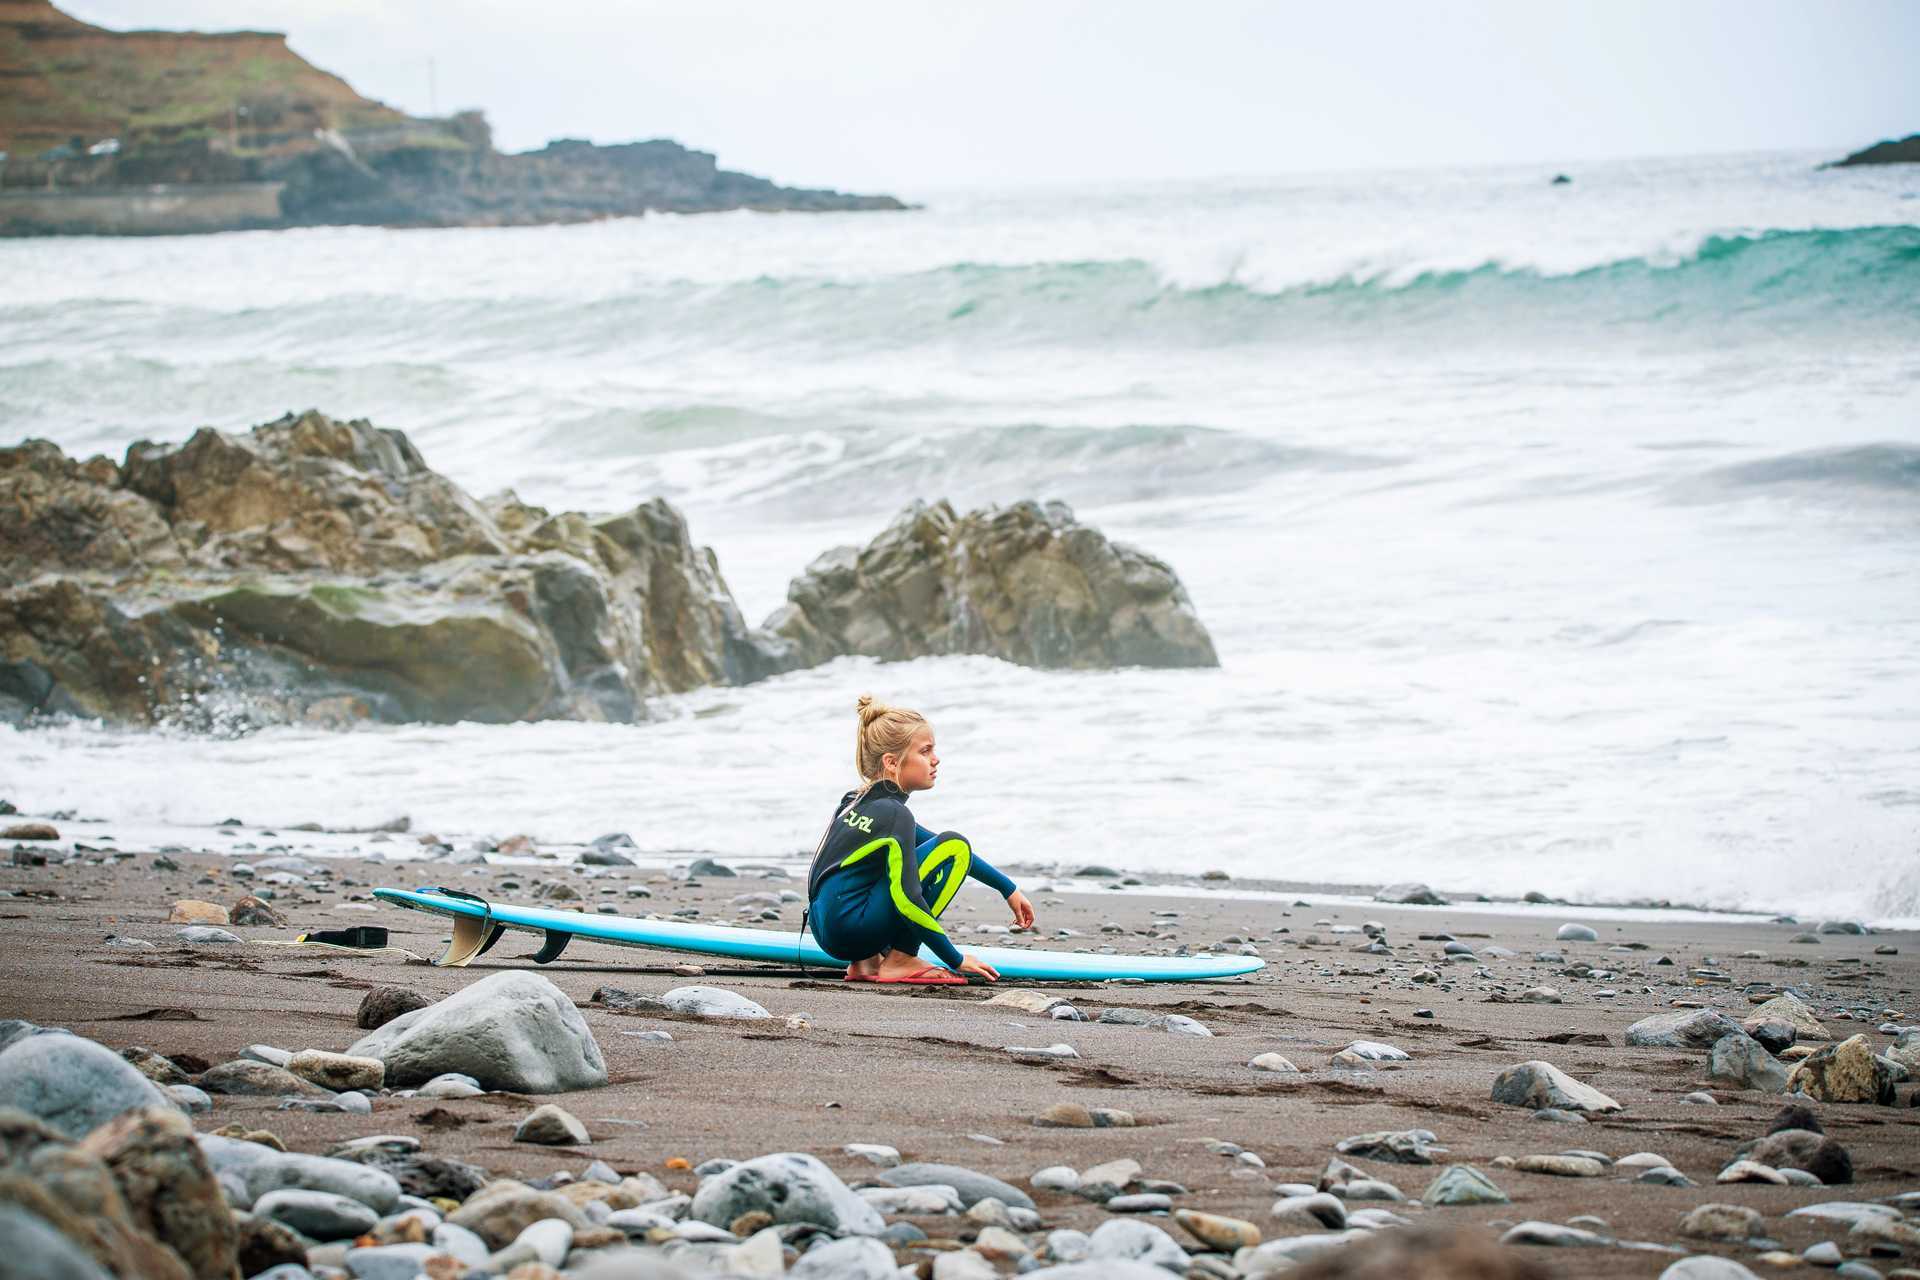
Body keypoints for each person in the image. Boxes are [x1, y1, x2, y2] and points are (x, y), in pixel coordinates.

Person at [806, 695, 1035, 984]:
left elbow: (926, 842)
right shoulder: (894, 814)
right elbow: (910, 895)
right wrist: (955, 958)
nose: (935, 759)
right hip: (855, 931)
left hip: (826, 933)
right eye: (925, 751)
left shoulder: (855, 801)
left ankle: (866, 963)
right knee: (955, 845)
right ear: (892, 762)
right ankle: (900, 960)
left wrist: (1007, 888)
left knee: (876, 867)